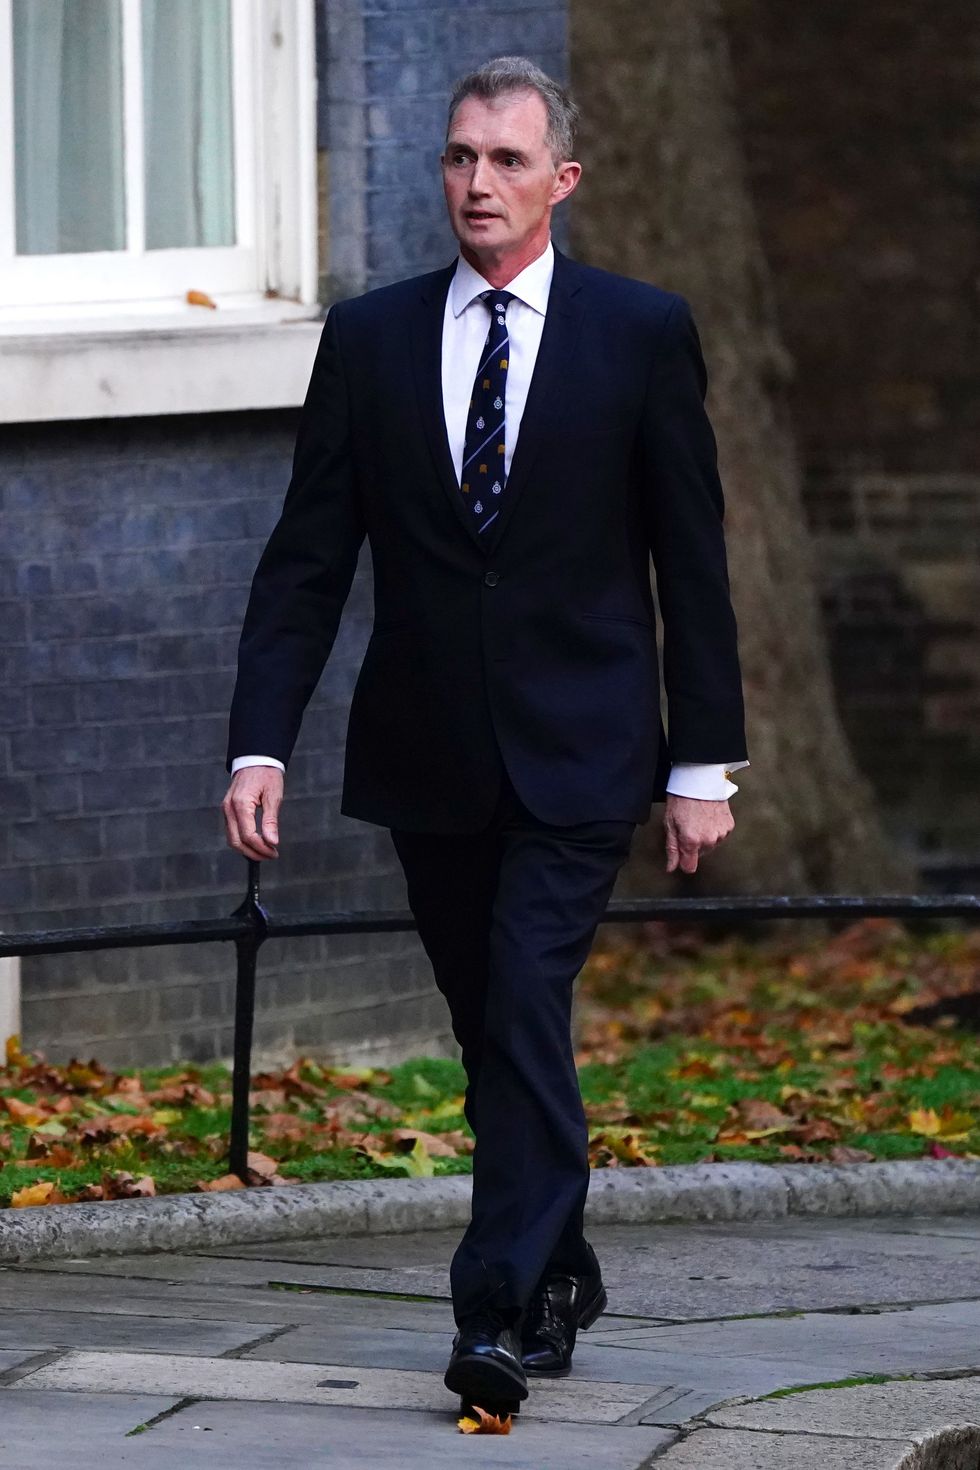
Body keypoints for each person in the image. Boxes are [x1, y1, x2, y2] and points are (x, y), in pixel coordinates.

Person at [223, 55, 749, 1416]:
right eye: (461, 156)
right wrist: (258, 742)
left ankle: (496, 1317)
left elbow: (691, 562)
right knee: (492, 1024)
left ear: (561, 180)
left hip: (584, 757)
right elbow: (307, 559)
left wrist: (702, 763)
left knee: (522, 999)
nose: (477, 182)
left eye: (508, 160)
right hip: (430, 756)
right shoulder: (374, 338)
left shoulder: (639, 332)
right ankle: (563, 1262)